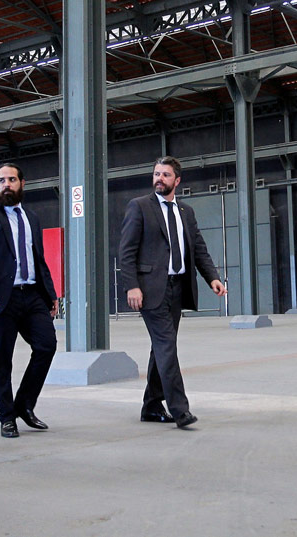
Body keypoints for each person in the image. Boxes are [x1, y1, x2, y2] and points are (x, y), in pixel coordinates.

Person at [118, 156, 227, 428]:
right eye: (156, 173)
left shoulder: (185, 212)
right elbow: (126, 250)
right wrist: (132, 285)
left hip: (177, 289)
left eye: (166, 175)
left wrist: (212, 277)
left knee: (161, 349)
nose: (159, 179)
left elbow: (198, 248)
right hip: (150, 289)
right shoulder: (140, 207)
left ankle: (152, 406)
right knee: (167, 347)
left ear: (177, 181)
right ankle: (180, 410)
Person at [0, 163, 58, 437]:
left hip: (32, 296)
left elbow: (39, 260)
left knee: (46, 346)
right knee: (1, 359)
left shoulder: (32, 218)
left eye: (11, 180)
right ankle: (7, 416)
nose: (6, 185)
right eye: (0, 181)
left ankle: (24, 405)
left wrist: (50, 294)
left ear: (22, 183)